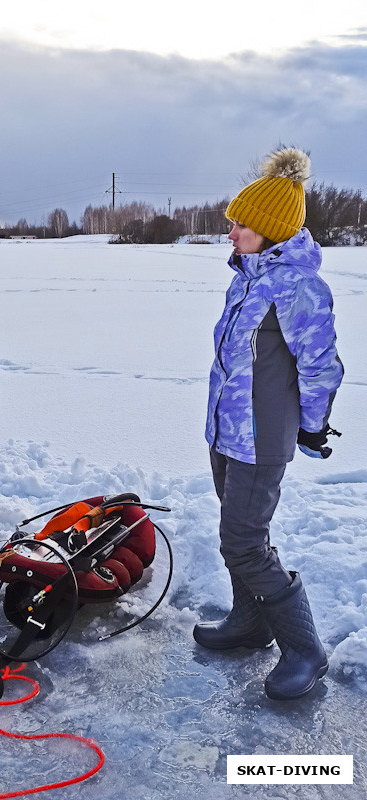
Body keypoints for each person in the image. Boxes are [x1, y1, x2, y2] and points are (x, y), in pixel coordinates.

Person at [195, 147, 344, 700]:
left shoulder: (299, 288)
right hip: (227, 432)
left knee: (243, 542)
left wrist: (311, 426)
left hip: (261, 439)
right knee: (239, 535)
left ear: (272, 230)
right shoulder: (250, 278)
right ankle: (249, 621)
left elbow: (321, 366)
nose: (231, 231)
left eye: (242, 223)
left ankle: (305, 650)